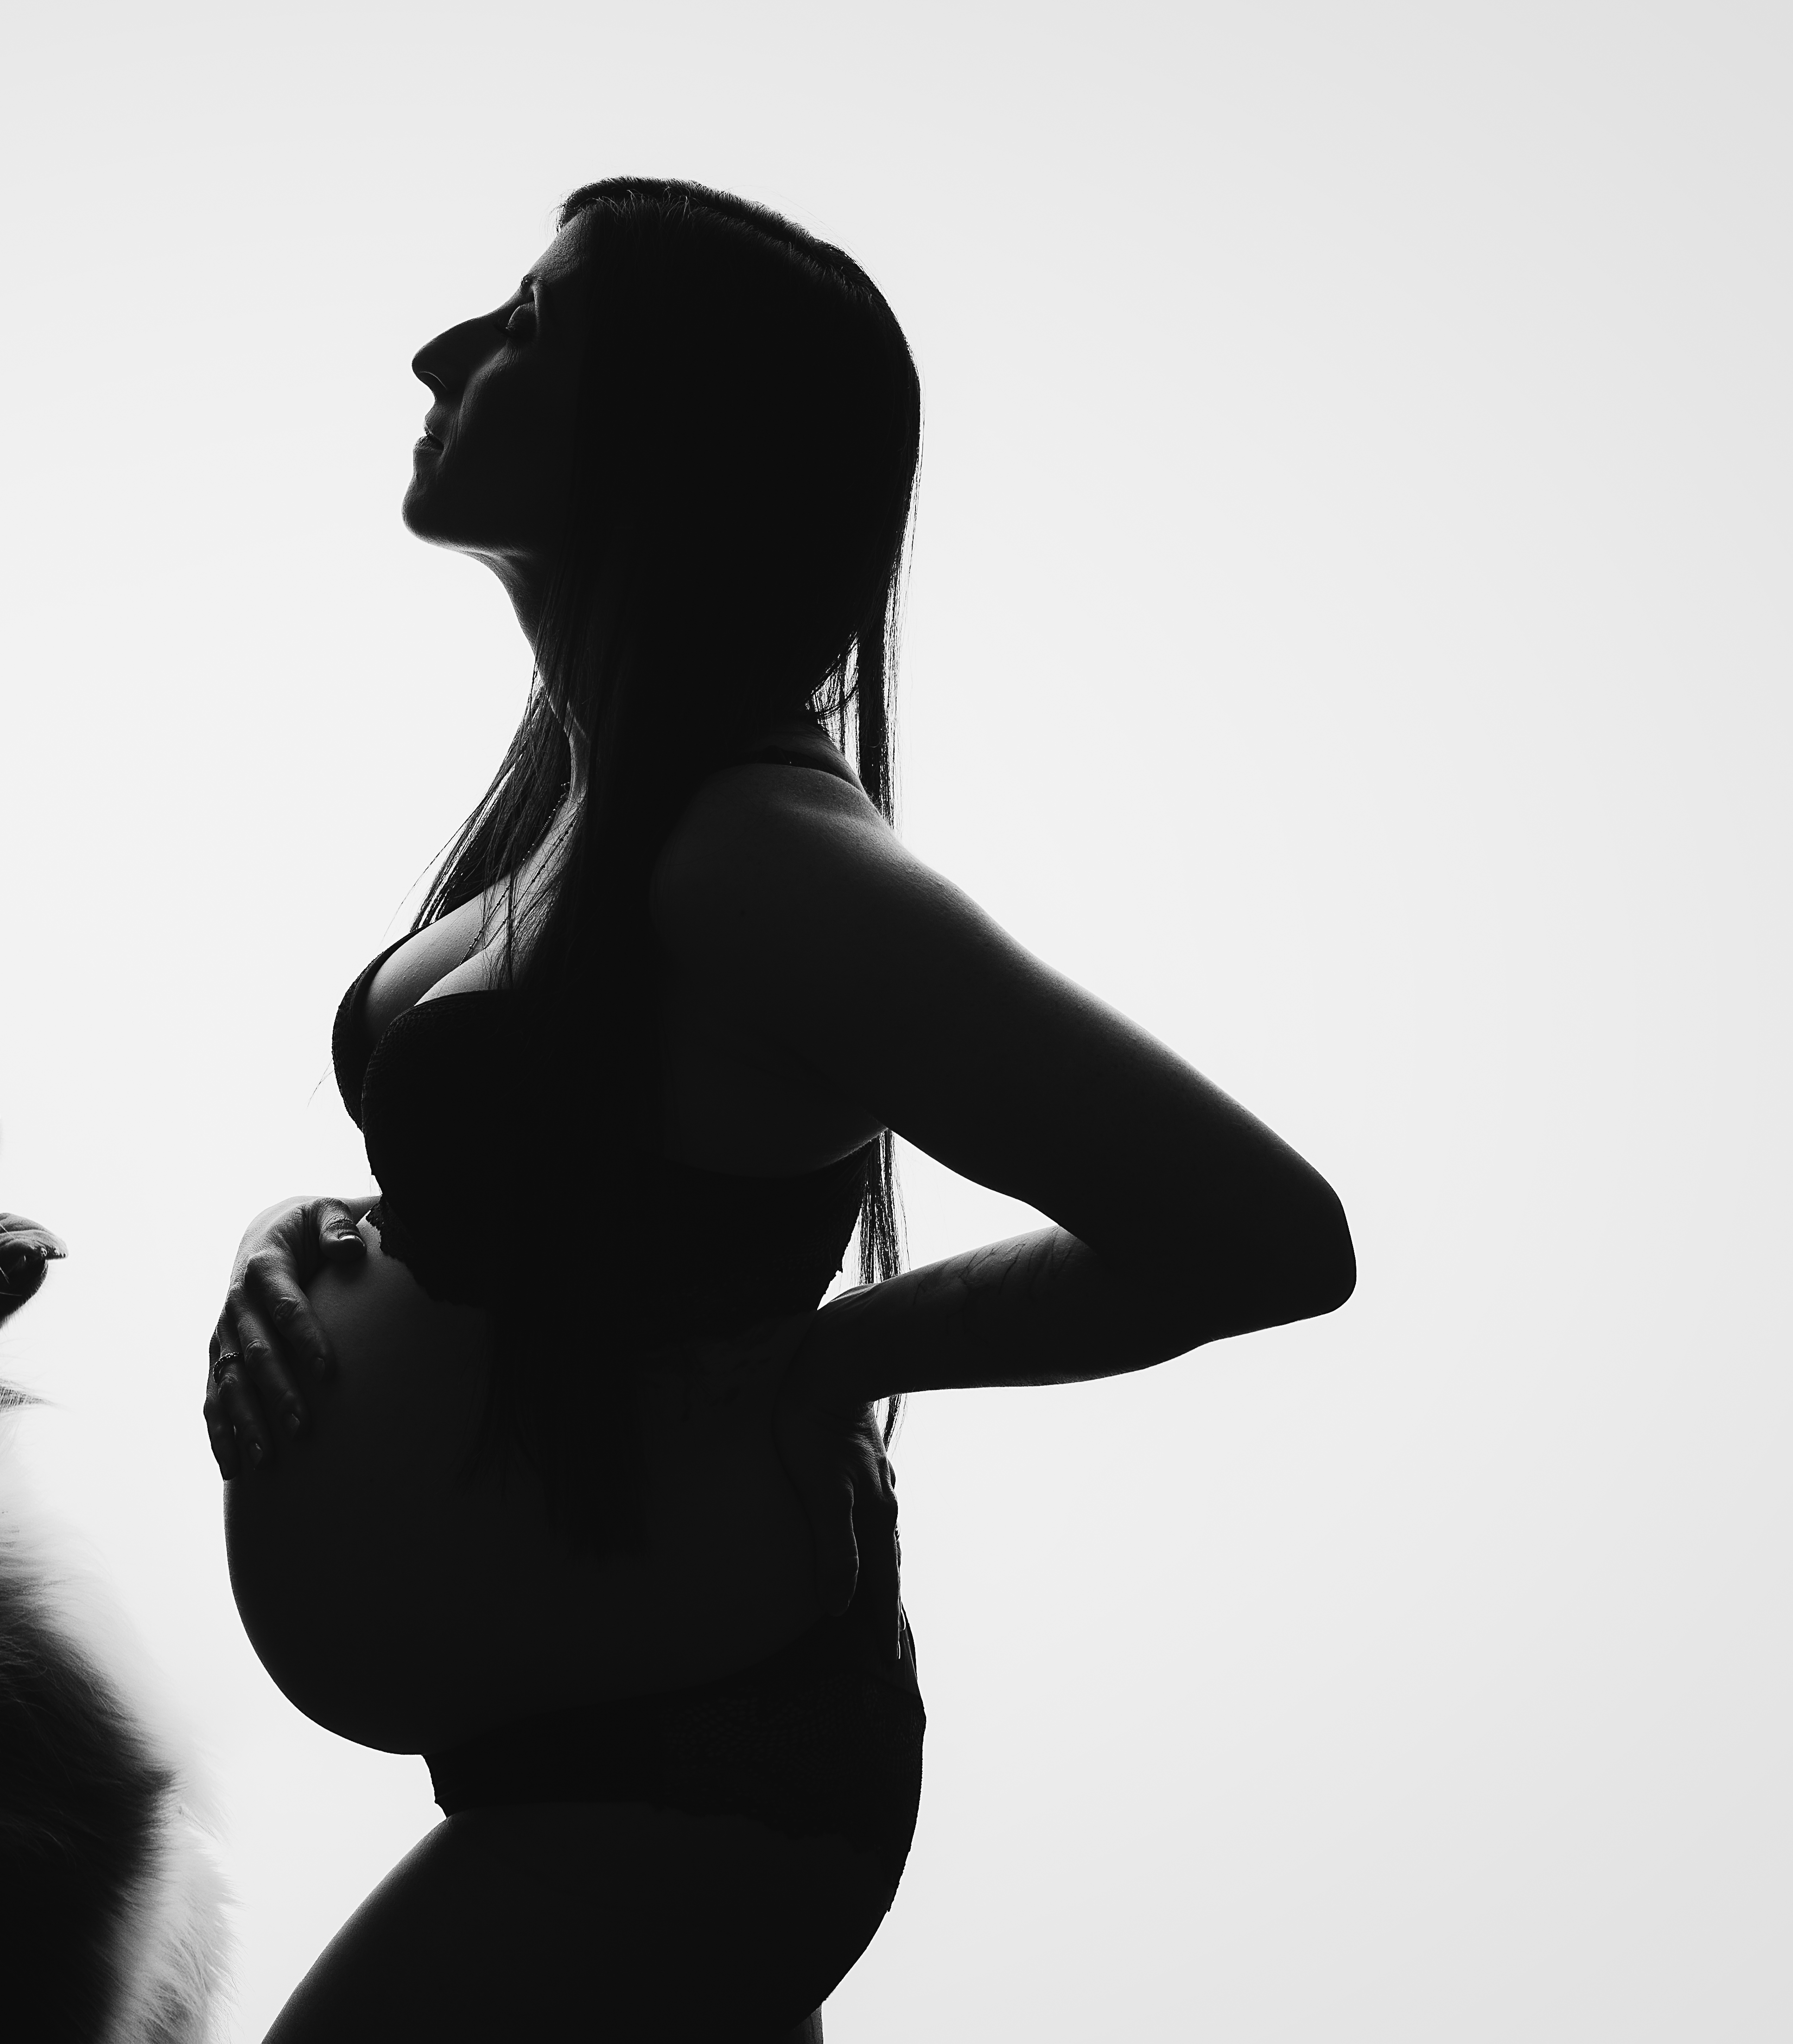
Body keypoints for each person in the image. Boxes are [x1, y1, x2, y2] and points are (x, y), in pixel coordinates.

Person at [205, 178, 1354, 2044]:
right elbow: (515, 1186)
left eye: (530, 320)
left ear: (671, 438)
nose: (442, 351)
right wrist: (287, 1253)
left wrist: (834, 1361)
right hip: (584, 1749)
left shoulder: (754, 850)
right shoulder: (581, 805)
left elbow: (1264, 1233)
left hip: (693, 1771)